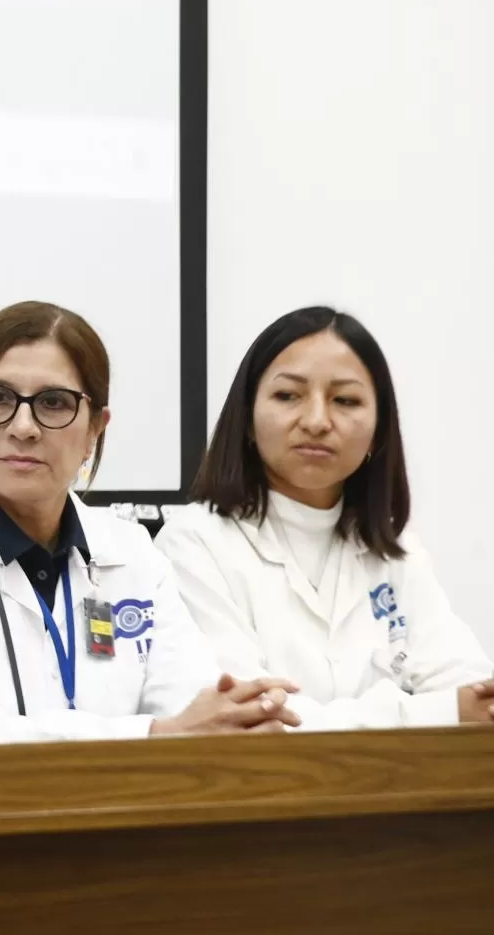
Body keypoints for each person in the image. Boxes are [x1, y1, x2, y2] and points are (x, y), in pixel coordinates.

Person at [0, 300, 299, 746]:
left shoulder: (133, 554)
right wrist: (153, 736)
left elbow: (193, 709)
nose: (23, 427)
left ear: (96, 426)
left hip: (112, 818)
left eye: (54, 403)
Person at [157, 306, 494, 729]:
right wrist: (437, 712)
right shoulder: (193, 541)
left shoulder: (393, 547)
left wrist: (465, 706)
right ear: (246, 418)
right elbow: (252, 719)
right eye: (288, 396)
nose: (316, 421)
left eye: (345, 400)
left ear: (379, 429)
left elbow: (472, 688)